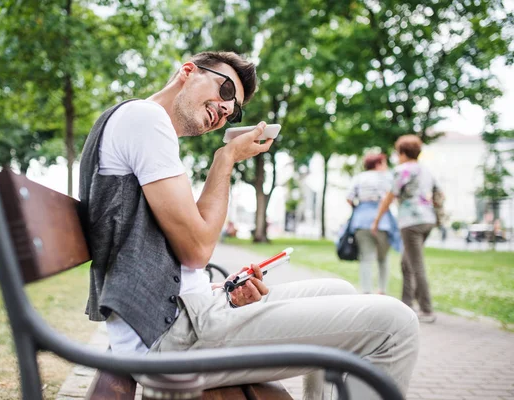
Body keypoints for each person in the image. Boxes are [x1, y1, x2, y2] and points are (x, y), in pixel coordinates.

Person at [79, 51, 419, 399]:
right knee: (396, 323)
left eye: (235, 110)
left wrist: (221, 290)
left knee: (339, 291)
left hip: (183, 316)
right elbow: (197, 249)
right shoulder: (146, 118)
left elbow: (169, 250)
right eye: (225, 91)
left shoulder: (146, 128)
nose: (226, 110)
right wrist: (224, 160)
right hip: (169, 337)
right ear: (187, 71)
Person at [372, 135, 438, 323]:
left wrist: (377, 220)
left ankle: (426, 309)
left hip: (411, 223)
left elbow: (389, 196)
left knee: (416, 265)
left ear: (402, 152)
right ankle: (407, 304)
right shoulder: (426, 170)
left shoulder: (402, 170)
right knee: (406, 263)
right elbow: (438, 192)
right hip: (427, 220)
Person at [346, 153, 400, 295]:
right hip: (384, 222)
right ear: (378, 163)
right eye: (384, 162)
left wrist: (359, 209)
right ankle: (381, 289)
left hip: (361, 221)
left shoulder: (359, 178)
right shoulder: (388, 177)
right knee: (383, 258)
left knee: (366, 257)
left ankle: (366, 291)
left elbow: (349, 198)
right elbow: (392, 197)